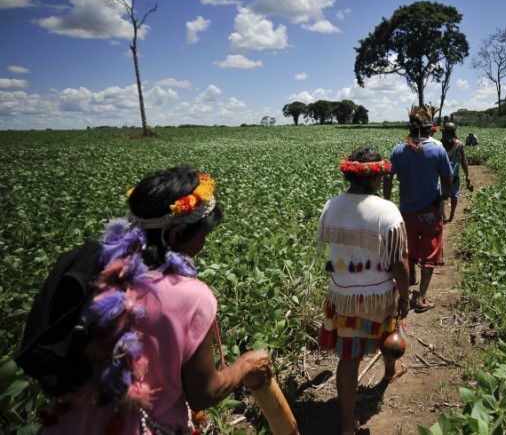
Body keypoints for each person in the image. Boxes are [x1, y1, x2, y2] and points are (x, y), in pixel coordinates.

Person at [42, 166, 272, 434]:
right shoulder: (191, 296)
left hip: (66, 424)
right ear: (176, 235)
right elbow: (204, 393)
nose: (204, 244)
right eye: (203, 236)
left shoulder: (94, 268)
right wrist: (245, 365)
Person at [317, 146, 410, 435]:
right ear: (375, 177)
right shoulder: (386, 210)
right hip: (377, 297)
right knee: (391, 332)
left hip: (342, 296)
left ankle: (347, 424)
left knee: (348, 359)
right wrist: (405, 295)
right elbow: (400, 262)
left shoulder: (330, 206)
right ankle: (390, 371)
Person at [384, 106, 452, 313]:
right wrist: (445, 195)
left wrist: (387, 200)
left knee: (409, 248)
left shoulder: (398, 150)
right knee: (430, 252)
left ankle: (411, 278)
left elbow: (388, 176)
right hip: (430, 209)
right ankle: (421, 298)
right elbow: (447, 178)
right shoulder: (438, 149)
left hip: (406, 211)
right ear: (429, 127)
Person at [441, 122, 473, 223]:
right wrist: (467, 176)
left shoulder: (438, 144)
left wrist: (467, 176)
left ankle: (447, 216)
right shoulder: (459, 144)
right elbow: (464, 161)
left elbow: (464, 161)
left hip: (441, 177)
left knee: (444, 197)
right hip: (454, 177)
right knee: (453, 196)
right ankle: (449, 216)